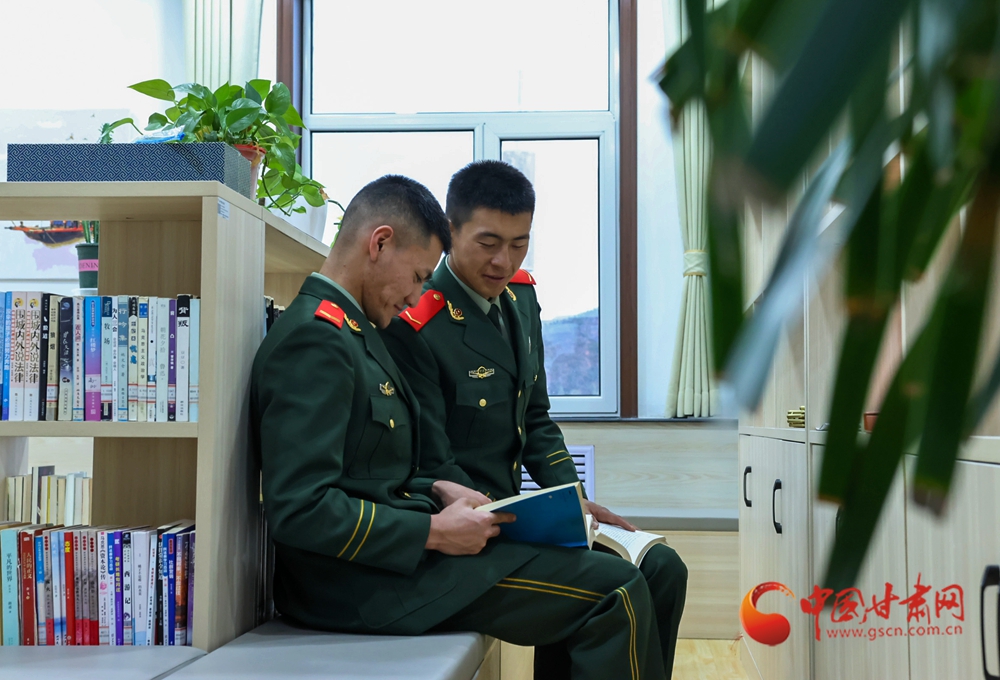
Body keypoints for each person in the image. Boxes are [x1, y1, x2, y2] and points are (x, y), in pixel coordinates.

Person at [250, 174, 669, 680]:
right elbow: (300, 509)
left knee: (630, 576)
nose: (417, 295)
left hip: (391, 560)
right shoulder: (317, 341)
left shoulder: (357, 330)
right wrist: (431, 531)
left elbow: (375, 473)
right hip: (353, 584)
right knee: (614, 592)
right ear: (379, 243)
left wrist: (438, 490)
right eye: (418, 276)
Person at [381, 161, 688, 679]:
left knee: (663, 568)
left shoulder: (520, 297)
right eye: (488, 243)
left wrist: (573, 501)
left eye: (519, 243)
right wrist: (525, 517)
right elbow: (432, 461)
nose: (503, 261)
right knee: (609, 587)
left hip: (526, 514)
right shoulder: (418, 322)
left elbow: (536, 418)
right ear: (450, 232)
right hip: (473, 523)